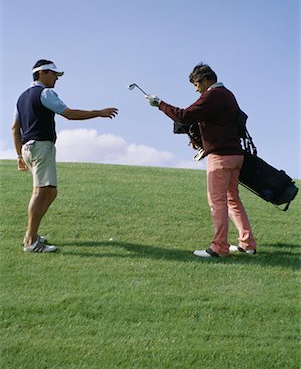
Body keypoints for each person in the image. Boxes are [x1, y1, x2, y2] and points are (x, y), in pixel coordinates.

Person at [145, 63, 256, 258]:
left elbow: (185, 116)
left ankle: (219, 248)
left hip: (220, 157)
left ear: (205, 80)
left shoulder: (213, 95)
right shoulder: (228, 94)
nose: (196, 89)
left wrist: (160, 104)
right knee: (232, 200)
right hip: (235, 155)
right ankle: (247, 244)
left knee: (217, 202)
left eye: (196, 84)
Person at [12, 59, 118, 253]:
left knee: (50, 192)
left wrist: (20, 155)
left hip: (28, 148)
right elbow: (68, 114)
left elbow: (15, 128)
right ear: (42, 73)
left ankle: (32, 233)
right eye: (54, 75)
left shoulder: (21, 98)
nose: (56, 79)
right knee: (40, 192)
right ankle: (31, 240)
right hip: (41, 146)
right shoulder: (46, 93)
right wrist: (99, 113)